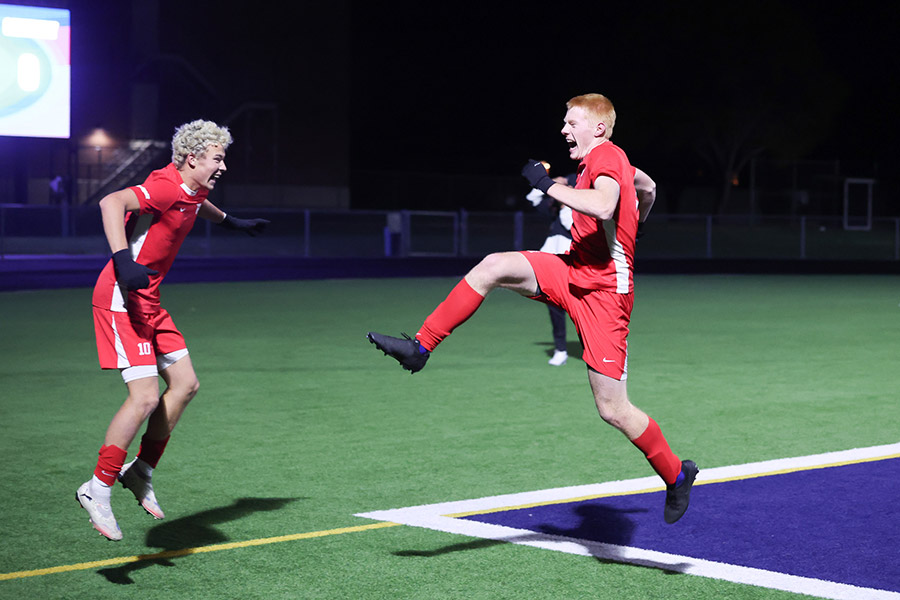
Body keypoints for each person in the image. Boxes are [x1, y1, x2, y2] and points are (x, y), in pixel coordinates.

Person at [367, 94, 698, 524]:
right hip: (574, 269)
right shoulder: (604, 162)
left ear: (597, 127)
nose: (564, 129)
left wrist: (548, 187)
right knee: (493, 266)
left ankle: (676, 475)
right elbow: (648, 189)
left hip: (605, 298)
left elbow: (603, 205)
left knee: (613, 410)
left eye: (571, 121)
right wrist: (633, 226)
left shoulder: (608, 156)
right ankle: (420, 348)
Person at [76, 119, 269, 541]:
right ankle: (98, 488)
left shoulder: (193, 188)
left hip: (151, 302)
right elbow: (111, 202)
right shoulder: (165, 186)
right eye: (217, 159)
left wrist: (231, 222)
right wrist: (122, 258)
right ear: (191, 158)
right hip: (121, 297)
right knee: (144, 396)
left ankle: (140, 471)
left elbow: (197, 202)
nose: (222, 167)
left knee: (185, 385)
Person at [526, 171, 576, 366]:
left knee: (584, 311)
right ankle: (561, 349)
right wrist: (548, 183)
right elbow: (532, 198)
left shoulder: (578, 209)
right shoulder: (553, 208)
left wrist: (566, 202)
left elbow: (570, 226)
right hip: (550, 262)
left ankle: (605, 348)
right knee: (555, 308)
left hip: (572, 261)